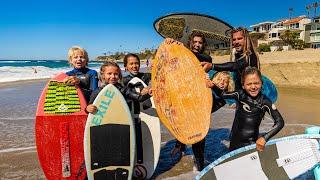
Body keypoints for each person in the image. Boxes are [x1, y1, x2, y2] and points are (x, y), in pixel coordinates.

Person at [86, 61, 152, 179]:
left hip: (121, 127)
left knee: (121, 153)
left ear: (119, 76)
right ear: (103, 75)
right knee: (105, 152)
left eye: (116, 74)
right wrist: (88, 108)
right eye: (109, 74)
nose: (113, 76)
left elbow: (139, 98)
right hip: (103, 127)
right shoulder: (98, 91)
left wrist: (148, 94)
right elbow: (90, 107)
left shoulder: (123, 89)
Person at [166, 31, 213, 171]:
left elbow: (197, 58)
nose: (197, 45)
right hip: (183, 97)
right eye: (195, 42)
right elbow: (170, 64)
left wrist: (181, 48)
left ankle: (199, 164)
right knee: (182, 124)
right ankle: (180, 147)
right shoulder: (182, 54)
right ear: (191, 42)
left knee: (199, 133)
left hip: (199, 99)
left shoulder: (206, 58)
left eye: (200, 43)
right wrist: (171, 44)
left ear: (203, 45)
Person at [219, 67, 284, 151]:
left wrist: (264, 138)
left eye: (256, 83)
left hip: (250, 144)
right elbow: (223, 95)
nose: (253, 87)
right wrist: (220, 87)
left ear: (262, 83)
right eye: (249, 84)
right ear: (243, 85)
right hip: (233, 142)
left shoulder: (265, 101)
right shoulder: (239, 94)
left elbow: (280, 122)